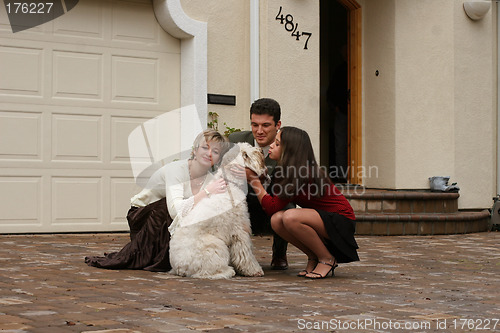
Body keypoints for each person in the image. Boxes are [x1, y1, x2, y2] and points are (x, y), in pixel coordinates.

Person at [85, 129, 229, 271]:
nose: (209, 153)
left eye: (215, 152)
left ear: (219, 158)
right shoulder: (177, 170)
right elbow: (175, 211)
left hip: (172, 222)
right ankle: (157, 257)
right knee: (166, 205)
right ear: (195, 150)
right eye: (205, 147)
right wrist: (207, 192)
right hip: (143, 217)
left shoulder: (212, 181)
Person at [245, 126, 359, 279]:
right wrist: (263, 180)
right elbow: (274, 205)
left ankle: (327, 258)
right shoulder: (286, 170)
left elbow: (271, 207)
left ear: (290, 150)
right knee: (277, 220)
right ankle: (314, 257)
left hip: (341, 220)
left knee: (290, 217)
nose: (271, 145)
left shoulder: (300, 173)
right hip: (323, 219)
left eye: (277, 144)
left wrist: (254, 181)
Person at [229, 98, 290, 270]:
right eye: (255, 125)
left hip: (272, 202)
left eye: (265, 125)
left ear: (278, 125)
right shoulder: (236, 140)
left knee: (287, 205)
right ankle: (231, 253)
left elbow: (286, 187)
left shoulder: (287, 146)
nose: (259, 131)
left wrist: (260, 178)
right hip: (243, 201)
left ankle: (279, 253)